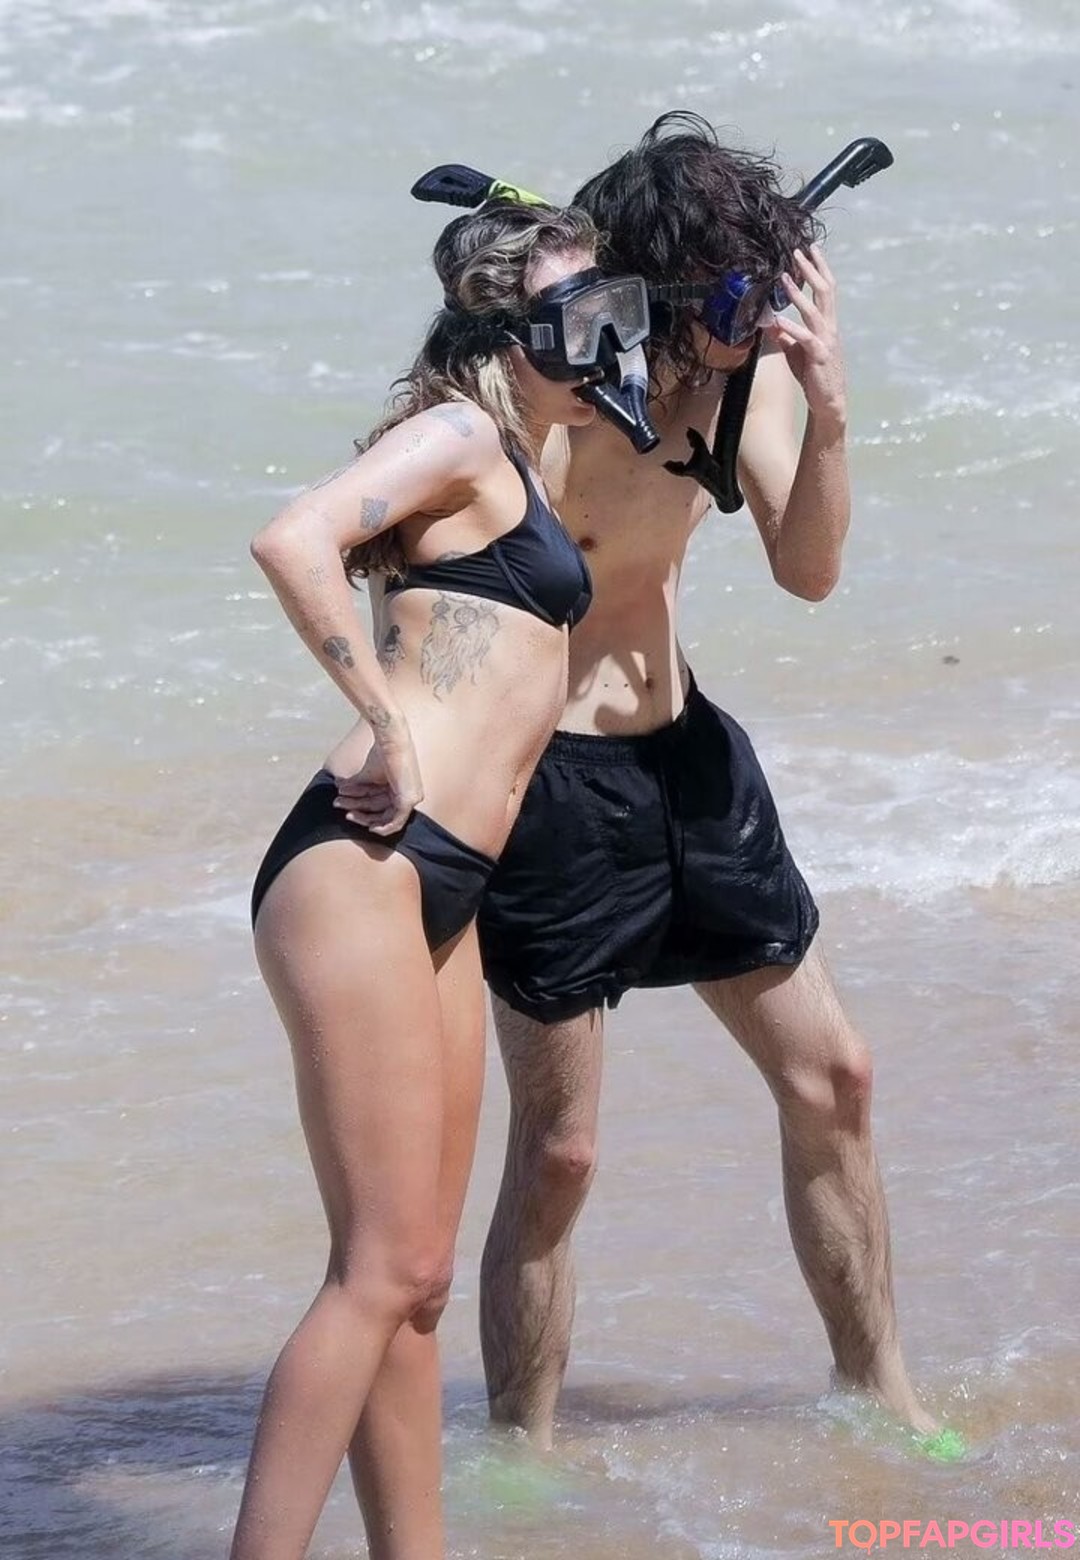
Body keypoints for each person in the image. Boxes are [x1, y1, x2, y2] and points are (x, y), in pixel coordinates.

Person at [473, 113, 939, 1450]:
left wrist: (828, 404)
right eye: (734, 298)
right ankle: (522, 1456)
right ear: (660, 294)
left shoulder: (752, 378)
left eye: (770, 288)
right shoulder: (545, 392)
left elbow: (809, 570)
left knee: (835, 1078)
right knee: (560, 1153)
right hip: (549, 785)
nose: (759, 319)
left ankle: (881, 1399)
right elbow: (423, 572)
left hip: (688, 761)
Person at [228, 198, 650, 1560]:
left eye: (618, 313)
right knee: (382, 1271)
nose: (607, 343)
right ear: (504, 328)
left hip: (443, 887)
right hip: (364, 858)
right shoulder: (462, 434)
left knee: (414, 1290)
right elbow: (293, 538)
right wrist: (387, 722)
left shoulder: (519, 449)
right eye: (581, 317)